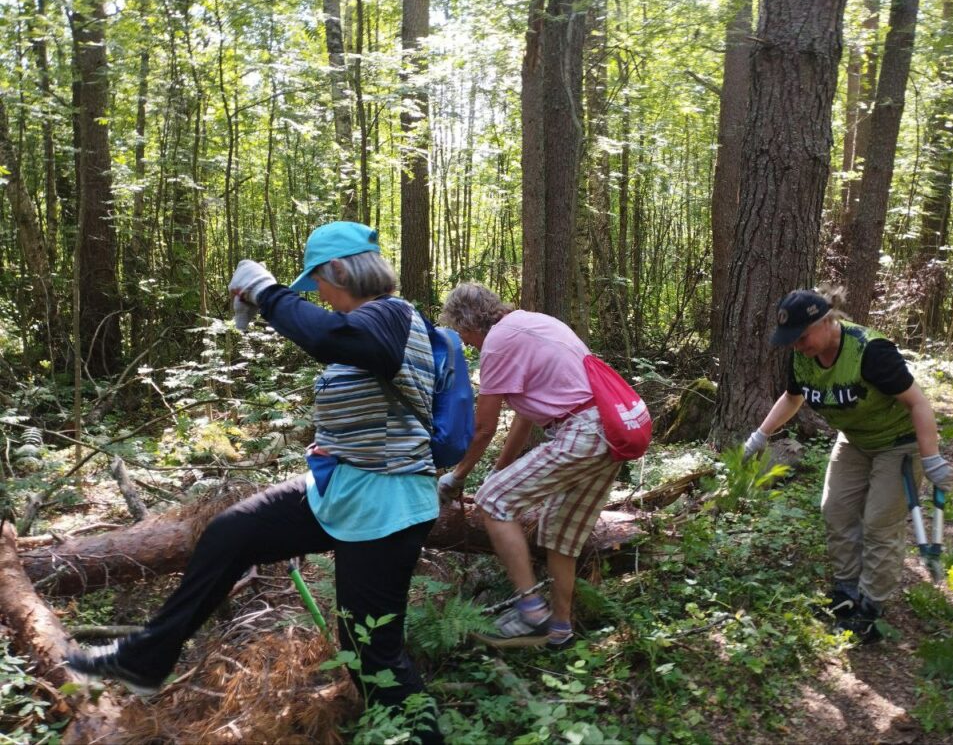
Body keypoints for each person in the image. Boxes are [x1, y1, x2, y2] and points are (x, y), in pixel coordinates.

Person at [67, 221, 444, 742]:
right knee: (232, 532)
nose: (322, 299)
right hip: (342, 489)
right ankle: (146, 659)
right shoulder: (372, 324)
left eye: (320, 286)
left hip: (387, 504)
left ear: (339, 271)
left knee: (368, 649)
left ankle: (421, 735)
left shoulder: (390, 315)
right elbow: (359, 377)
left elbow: (331, 339)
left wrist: (268, 293)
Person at [743, 288, 953, 642]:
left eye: (802, 336)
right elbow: (793, 397)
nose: (797, 345)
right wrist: (761, 434)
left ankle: (871, 607)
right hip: (855, 440)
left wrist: (931, 458)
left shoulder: (870, 352)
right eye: (791, 340)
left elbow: (918, 403)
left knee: (878, 524)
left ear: (827, 320)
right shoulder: (802, 356)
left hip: (899, 444)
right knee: (836, 510)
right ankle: (847, 592)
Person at [437, 283, 620, 649]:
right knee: (559, 535)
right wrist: (500, 471)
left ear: (468, 323)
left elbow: (484, 428)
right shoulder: (534, 323)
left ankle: (531, 612)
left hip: (582, 431)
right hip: (610, 433)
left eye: (462, 334)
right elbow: (523, 417)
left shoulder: (497, 343)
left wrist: (456, 477)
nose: (467, 343)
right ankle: (559, 630)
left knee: (492, 502)